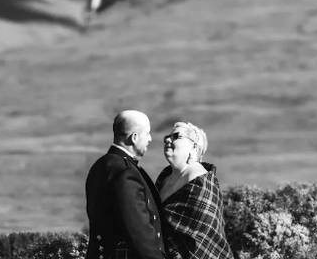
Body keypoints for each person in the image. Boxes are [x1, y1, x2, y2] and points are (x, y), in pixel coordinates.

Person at [86, 110, 166, 259]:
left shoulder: (101, 165)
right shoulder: (125, 172)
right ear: (134, 137)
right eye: (147, 133)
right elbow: (139, 233)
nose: (150, 139)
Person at [155, 122, 234, 259]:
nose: (168, 139)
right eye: (167, 137)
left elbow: (200, 238)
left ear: (194, 147)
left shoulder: (201, 182)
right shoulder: (164, 177)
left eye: (176, 136)